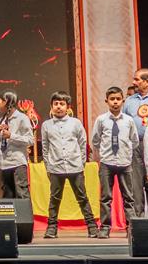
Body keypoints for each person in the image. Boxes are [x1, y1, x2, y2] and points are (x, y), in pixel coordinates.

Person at [40, 91, 97, 239]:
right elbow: (45, 147)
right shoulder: (46, 125)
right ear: (51, 106)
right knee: (54, 199)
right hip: (56, 167)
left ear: (68, 107)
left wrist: (81, 163)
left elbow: (83, 143)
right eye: (56, 104)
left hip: (75, 167)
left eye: (62, 104)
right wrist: (48, 166)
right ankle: (52, 228)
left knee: (82, 197)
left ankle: (92, 227)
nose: (59, 107)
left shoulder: (75, 123)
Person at [89, 86, 138, 238]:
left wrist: (126, 153)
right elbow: (95, 140)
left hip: (125, 163)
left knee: (128, 197)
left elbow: (134, 140)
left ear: (123, 101)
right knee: (105, 197)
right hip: (107, 163)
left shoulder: (129, 120)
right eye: (112, 99)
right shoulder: (101, 120)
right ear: (107, 101)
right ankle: (105, 227)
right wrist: (104, 154)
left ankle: (131, 228)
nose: (115, 102)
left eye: (118, 99)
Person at [123, 68, 148, 215]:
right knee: (135, 183)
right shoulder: (129, 101)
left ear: (146, 82)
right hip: (135, 145)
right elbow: (124, 123)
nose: (133, 82)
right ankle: (137, 219)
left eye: (137, 79)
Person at [0, 91, 33, 199]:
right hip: (4, 163)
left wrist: (11, 136)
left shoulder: (22, 118)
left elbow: (30, 140)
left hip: (18, 163)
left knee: (22, 194)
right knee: (8, 195)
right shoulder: (0, 121)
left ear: (6, 101)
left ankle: (24, 211)